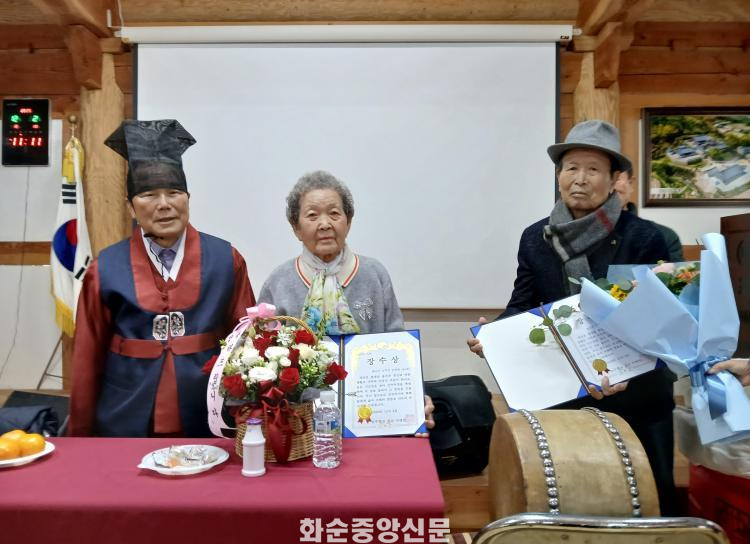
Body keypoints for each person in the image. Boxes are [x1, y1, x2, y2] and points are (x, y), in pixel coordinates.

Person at [467, 120, 679, 514]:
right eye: (571, 168)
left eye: (593, 169)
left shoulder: (645, 237)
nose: (580, 179)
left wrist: (621, 368)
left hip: (636, 391)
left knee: (650, 498)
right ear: (558, 175)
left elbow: (659, 323)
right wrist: (492, 335)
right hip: (563, 389)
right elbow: (522, 303)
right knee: (566, 495)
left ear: (614, 179)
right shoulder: (536, 236)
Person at [69, 119, 255, 438]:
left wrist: (250, 425)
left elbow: (246, 346)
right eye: (149, 194)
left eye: (174, 192)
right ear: (131, 207)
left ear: (188, 198)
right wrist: (79, 439)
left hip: (207, 418)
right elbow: (87, 358)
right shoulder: (105, 268)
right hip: (124, 419)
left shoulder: (226, 260)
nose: (164, 205)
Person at [258, 170, 434, 432]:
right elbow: (264, 361)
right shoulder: (279, 281)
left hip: (373, 414)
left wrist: (414, 400)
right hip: (300, 423)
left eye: (334, 213)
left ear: (348, 221)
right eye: (312, 215)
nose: (325, 224)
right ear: (296, 228)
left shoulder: (374, 274)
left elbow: (398, 348)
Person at [613, 164, 684, 262]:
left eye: (616, 177)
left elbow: (672, 271)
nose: (608, 184)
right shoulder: (590, 234)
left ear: (631, 183)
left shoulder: (663, 236)